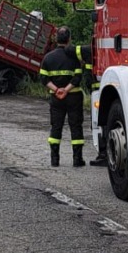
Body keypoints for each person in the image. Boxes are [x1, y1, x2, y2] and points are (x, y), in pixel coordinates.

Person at [39, 26, 88, 167]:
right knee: (76, 126)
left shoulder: (48, 58)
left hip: (56, 99)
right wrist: (66, 90)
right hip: (74, 98)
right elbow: (78, 77)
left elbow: (43, 78)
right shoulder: (74, 58)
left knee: (56, 127)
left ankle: (55, 160)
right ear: (69, 39)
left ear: (56, 39)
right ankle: (77, 160)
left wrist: (57, 90)